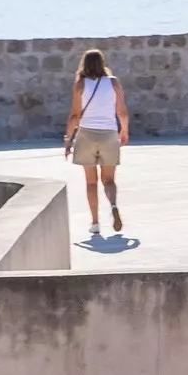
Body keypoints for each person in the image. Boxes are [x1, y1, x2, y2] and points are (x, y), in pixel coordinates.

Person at [62, 48, 129, 236]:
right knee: (109, 180)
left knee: (91, 182)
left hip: (86, 135)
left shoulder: (81, 84)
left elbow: (75, 116)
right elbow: (122, 112)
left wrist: (68, 140)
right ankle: (113, 205)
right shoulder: (113, 83)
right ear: (102, 63)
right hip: (109, 134)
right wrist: (124, 131)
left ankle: (95, 222)